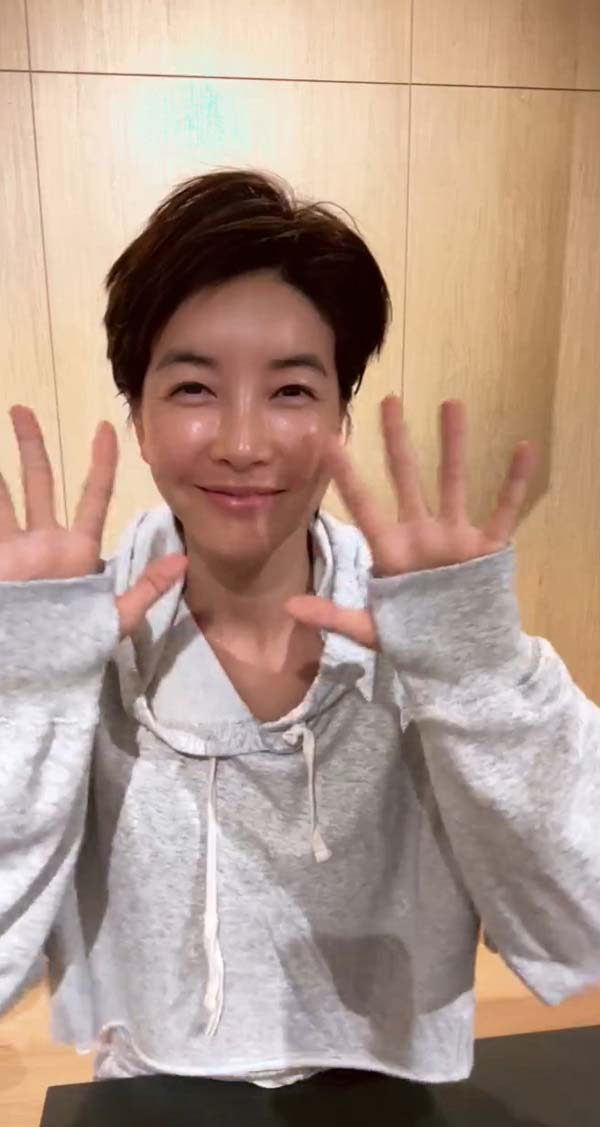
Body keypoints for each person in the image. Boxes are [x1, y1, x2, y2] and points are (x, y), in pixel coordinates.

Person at [0, 169, 599, 1088]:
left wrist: (476, 671)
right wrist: (30, 689)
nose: (243, 442)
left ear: (339, 415)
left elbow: (581, 925)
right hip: (154, 1091)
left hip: (387, 1088)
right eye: (194, 387)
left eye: (290, 390)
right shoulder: (78, 635)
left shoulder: (428, 630)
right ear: (140, 420)